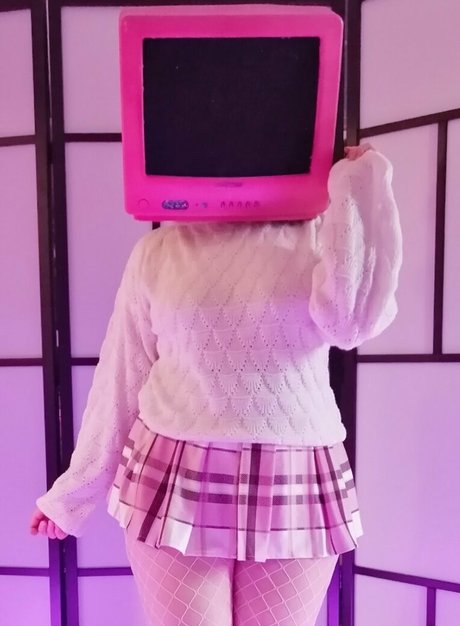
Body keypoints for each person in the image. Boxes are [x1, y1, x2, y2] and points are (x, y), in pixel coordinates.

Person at [30, 143, 402, 626]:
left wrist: (359, 185)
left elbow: (353, 323)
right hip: (173, 475)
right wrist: (73, 495)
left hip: (295, 478)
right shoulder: (158, 252)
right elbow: (121, 376)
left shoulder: (317, 238)